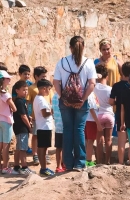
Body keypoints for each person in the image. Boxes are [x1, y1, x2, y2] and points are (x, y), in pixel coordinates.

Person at [53, 36, 97, 171]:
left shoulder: (62, 62)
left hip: (65, 102)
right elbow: (92, 84)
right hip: (82, 103)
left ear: (70, 47)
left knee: (67, 130)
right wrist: (82, 99)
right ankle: (79, 163)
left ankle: (68, 163)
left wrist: (63, 98)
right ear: (83, 47)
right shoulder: (89, 63)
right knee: (79, 130)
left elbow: (56, 82)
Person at [109, 62, 130, 164]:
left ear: (122, 72)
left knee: (121, 142)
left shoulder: (116, 86)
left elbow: (111, 101)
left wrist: (117, 102)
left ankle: (120, 162)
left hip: (120, 114)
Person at [26, 66, 53, 165]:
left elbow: (50, 100)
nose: (44, 78)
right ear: (36, 76)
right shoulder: (32, 88)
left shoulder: (47, 89)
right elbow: (28, 103)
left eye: (45, 76)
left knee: (43, 141)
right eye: (42, 76)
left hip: (44, 119)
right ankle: (35, 154)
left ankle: (45, 155)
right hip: (36, 117)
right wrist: (29, 115)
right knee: (35, 136)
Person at [0, 70, 17, 174]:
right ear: (3, 80)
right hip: (6, 120)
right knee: (6, 145)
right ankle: (5, 167)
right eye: (7, 78)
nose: (9, 79)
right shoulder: (5, 94)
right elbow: (14, 108)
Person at [33, 79, 54, 176]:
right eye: (49, 89)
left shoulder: (39, 98)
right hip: (43, 127)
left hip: (43, 127)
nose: (49, 91)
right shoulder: (40, 100)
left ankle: (44, 167)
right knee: (42, 148)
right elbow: (44, 114)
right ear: (44, 89)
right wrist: (52, 111)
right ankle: (43, 168)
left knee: (43, 148)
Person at [94, 64, 114, 164]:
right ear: (107, 76)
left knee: (99, 141)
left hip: (98, 115)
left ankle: (99, 162)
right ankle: (108, 161)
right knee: (108, 139)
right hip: (109, 114)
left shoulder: (94, 88)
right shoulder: (110, 89)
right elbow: (113, 102)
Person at [13, 80, 35, 175]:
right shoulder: (20, 102)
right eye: (23, 90)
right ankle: (24, 167)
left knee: (18, 147)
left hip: (18, 127)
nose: (26, 92)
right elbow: (23, 116)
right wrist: (29, 126)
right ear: (17, 90)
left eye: (26, 90)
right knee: (23, 148)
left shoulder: (19, 101)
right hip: (22, 127)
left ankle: (16, 166)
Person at [12, 64, 33, 154]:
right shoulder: (16, 86)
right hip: (20, 110)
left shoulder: (30, 84)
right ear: (20, 74)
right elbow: (13, 100)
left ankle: (27, 145)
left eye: (28, 74)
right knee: (23, 129)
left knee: (27, 129)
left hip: (28, 109)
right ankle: (25, 148)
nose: (27, 76)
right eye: (25, 74)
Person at [85, 92, 101, 167]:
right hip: (91, 120)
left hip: (90, 120)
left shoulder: (92, 93)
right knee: (90, 141)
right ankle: (88, 161)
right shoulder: (90, 94)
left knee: (89, 141)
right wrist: (98, 123)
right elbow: (91, 109)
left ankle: (87, 159)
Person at [52, 92, 66, 172]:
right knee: (65, 147)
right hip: (65, 125)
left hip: (58, 125)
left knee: (59, 147)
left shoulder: (54, 96)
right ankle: (64, 164)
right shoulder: (65, 96)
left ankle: (59, 166)